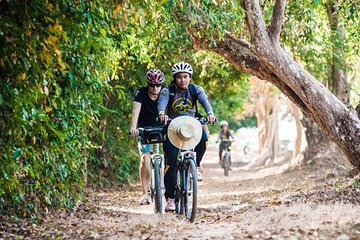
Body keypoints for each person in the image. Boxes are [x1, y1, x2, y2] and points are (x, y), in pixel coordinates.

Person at [158, 61, 216, 211]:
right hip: (172, 127)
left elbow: (204, 101)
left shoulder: (195, 89)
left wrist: (210, 114)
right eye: (179, 77)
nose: (182, 80)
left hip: (191, 126)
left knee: (203, 138)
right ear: (175, 78)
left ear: (190, 77)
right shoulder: (167, 91)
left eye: (185, 77)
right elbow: (162, 103)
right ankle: (170, 199)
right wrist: (162, 114)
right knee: (171, 164)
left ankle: (195, 166)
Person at [129, 69, 165, 205]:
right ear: (148, 84)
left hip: (163, 128)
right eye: (152, 85)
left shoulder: (165, 92)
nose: (155, 88)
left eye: (158, 85)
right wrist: (133, 127)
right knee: (145, 158)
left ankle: (169, 192)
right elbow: (135, 111)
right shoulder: (141, 93)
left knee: (171, 156)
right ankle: (145, 193)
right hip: (145, 129)